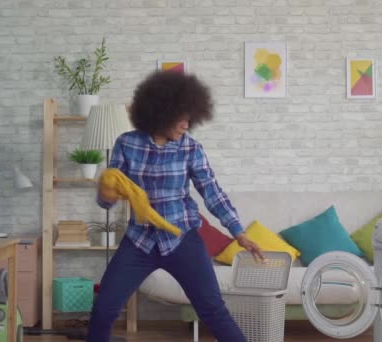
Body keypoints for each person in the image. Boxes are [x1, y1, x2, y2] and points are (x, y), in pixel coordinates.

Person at [86, 70, 264, 342]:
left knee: (213, 311)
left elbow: (212, 193)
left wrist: (239, 232)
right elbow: (108, 197)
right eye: (181, 117)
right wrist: (106, 193)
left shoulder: (191, 149)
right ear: (160, 112)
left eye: (190, 117)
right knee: (103, 309)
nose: (186, 124)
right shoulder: (127, 144)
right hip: (139, 242)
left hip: (183, 239)